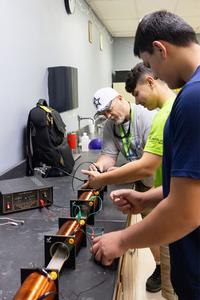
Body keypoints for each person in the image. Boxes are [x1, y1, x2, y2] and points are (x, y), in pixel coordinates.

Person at [88, 10, 200, 300]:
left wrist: (122, 240)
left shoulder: (191, 99)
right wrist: (149, 198)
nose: (155, 75)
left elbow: (186, 211)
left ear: (161, 49)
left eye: (150, 65)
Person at [90, 86, 160, 292]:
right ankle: (160, 265)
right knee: (149, 224)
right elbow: (108, 156)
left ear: (120, 98)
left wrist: (106, 177)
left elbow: (150, 164)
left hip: (157, 177)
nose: (109, 115)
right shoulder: (110, 126)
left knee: (160, 224)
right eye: (104, 113)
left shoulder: (146, 117)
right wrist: (99, 167)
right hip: (137, 177)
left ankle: (168, 269)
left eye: (110, 109)